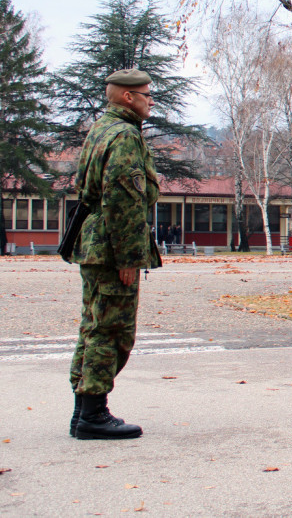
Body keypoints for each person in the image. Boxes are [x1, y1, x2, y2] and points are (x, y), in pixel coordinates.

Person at [67, 69, 162, 440]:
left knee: (93, 327)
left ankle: (82, 412)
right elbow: (123, 200)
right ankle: (93, 415)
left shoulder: (100, 128)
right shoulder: (124, 135)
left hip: (94, 243)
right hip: (111, 247)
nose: (150, 100)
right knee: (112, 332)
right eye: (146, 94)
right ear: (127, 97)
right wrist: (129, 258)